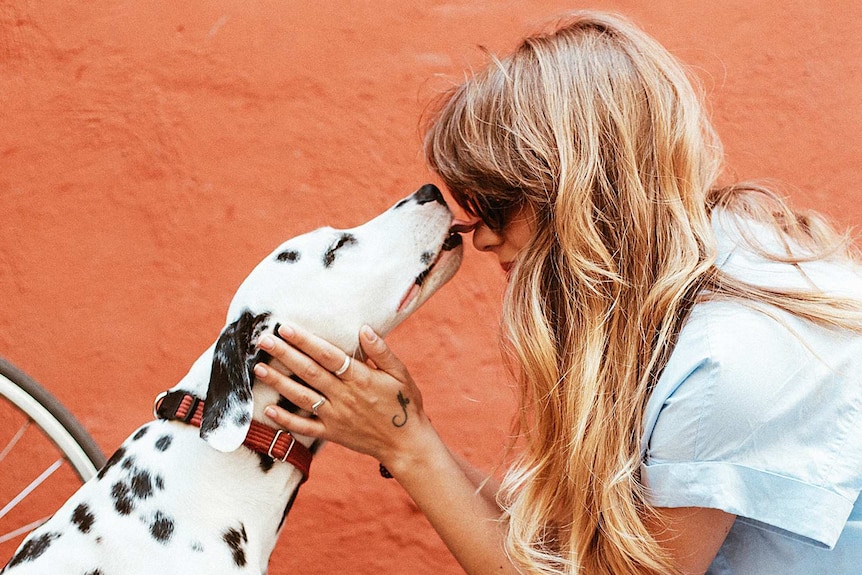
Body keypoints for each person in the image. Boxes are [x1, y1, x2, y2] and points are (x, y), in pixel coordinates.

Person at [252, 10, 862, 575]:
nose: (479, 237)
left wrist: (405, 445)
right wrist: (409, 431)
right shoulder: (673, 289)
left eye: (495, 202)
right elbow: (557, 553)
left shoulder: (730, 360)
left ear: (579, 186)